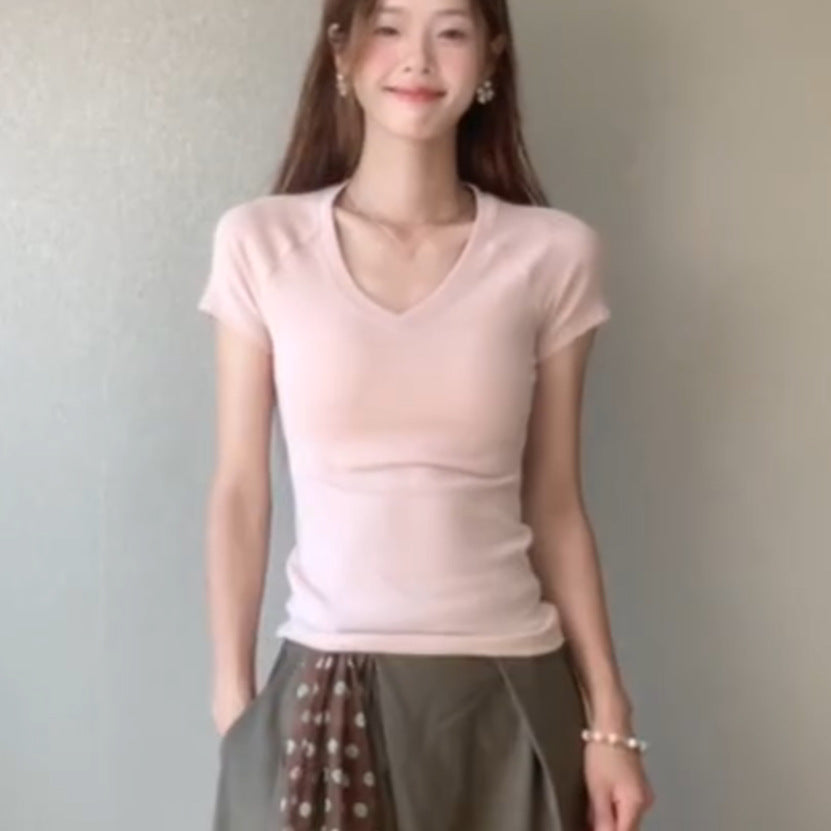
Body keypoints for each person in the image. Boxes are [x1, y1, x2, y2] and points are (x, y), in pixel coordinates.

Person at [197, 1, 655, 829]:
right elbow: (239, 489)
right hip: (326, 690)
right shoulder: (260, 242)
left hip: (511, 694)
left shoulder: (553, 253)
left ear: (489, 59)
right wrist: (236, 702)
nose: (417, 58)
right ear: (342, 52)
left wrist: (610, 720)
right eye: (387, 27)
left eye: (450, 31)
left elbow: (554, 501)